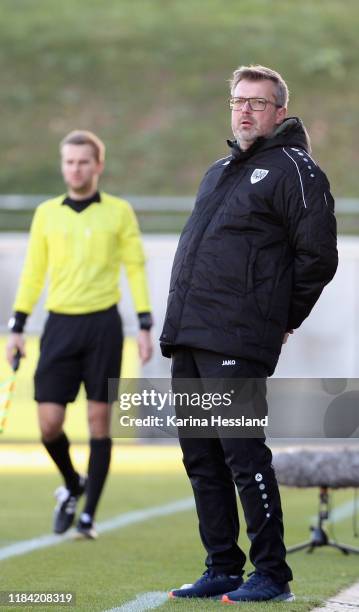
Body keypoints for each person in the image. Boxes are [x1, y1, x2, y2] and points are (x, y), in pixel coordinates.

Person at [160, 65, 338, 602]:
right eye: (238, 101)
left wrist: (283, 317)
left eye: (257, 103)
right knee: (201, 457)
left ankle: (273, 574)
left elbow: (318, 257)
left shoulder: (295, 168)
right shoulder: (218, 170)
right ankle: (221, 565)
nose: (245, 110)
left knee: (242, 454)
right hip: (190, 333)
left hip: (238, 338)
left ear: (279, 111)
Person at [6, 130, 153, 539]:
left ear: (98, 166)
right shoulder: (46, 213)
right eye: (69, 162)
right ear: (62, 165)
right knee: (49, 424)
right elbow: (33, 271)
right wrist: (16, 327)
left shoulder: (119, 212)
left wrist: (144, 324)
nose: (76, 168)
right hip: (59, 325)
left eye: (83, 161)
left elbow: (135, 267)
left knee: (98, 421)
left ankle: (88, 515)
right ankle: (72, 484)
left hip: (103, 326)